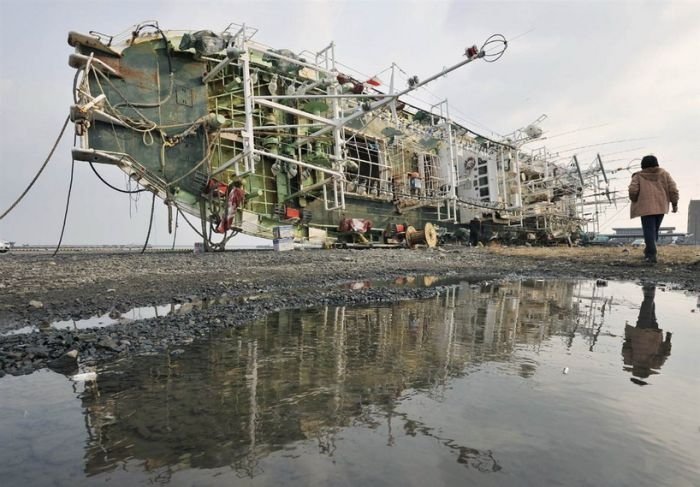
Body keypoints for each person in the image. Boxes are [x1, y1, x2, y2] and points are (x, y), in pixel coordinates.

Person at [628, 155, 679, 264]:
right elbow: (673, 189)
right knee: (654, 230)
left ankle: (651, 255)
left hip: (645, 208)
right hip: (661, 207)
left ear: (643, 165)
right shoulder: (664, 174)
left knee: (649, 231)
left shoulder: (638, 176)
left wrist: (635, 199)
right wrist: (674, 204)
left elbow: (633, 190)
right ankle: (649, 251)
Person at [621, 284, 672, 385]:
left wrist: (668, 338)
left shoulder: (655, 365)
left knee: (651, 315)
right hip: (640, 333)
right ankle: (649, 291)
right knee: (645, 313)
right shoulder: (629, 361)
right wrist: (629, 336)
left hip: (655, 336)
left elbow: (665, 352)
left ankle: (650, 291)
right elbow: (626, 347)